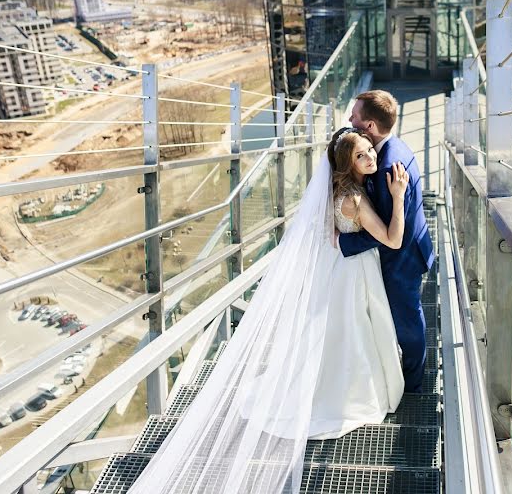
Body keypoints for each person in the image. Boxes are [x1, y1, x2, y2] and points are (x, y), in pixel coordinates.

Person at [127, 127, 410, 493]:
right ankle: (348, 393)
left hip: (343, 271)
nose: (371, 156)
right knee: (355, 333)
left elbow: (331, 236)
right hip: (355, 276)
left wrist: (348, 236)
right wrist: (399, 196)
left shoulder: (337, 192)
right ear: (347, 163)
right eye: (361, 155)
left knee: (345, 334)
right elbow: (393, 238)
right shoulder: (354, 198)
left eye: (370, 149)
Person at [339, 90, 435, 393]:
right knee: (401, 316)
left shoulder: (387, 168)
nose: (350, 119)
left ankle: (414, 383)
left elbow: (392, 232)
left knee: (407, 321)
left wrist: (345, 243)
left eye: (355, 115)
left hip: (402, 258)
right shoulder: (391, 148)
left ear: (369, 126)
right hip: (409, 250)